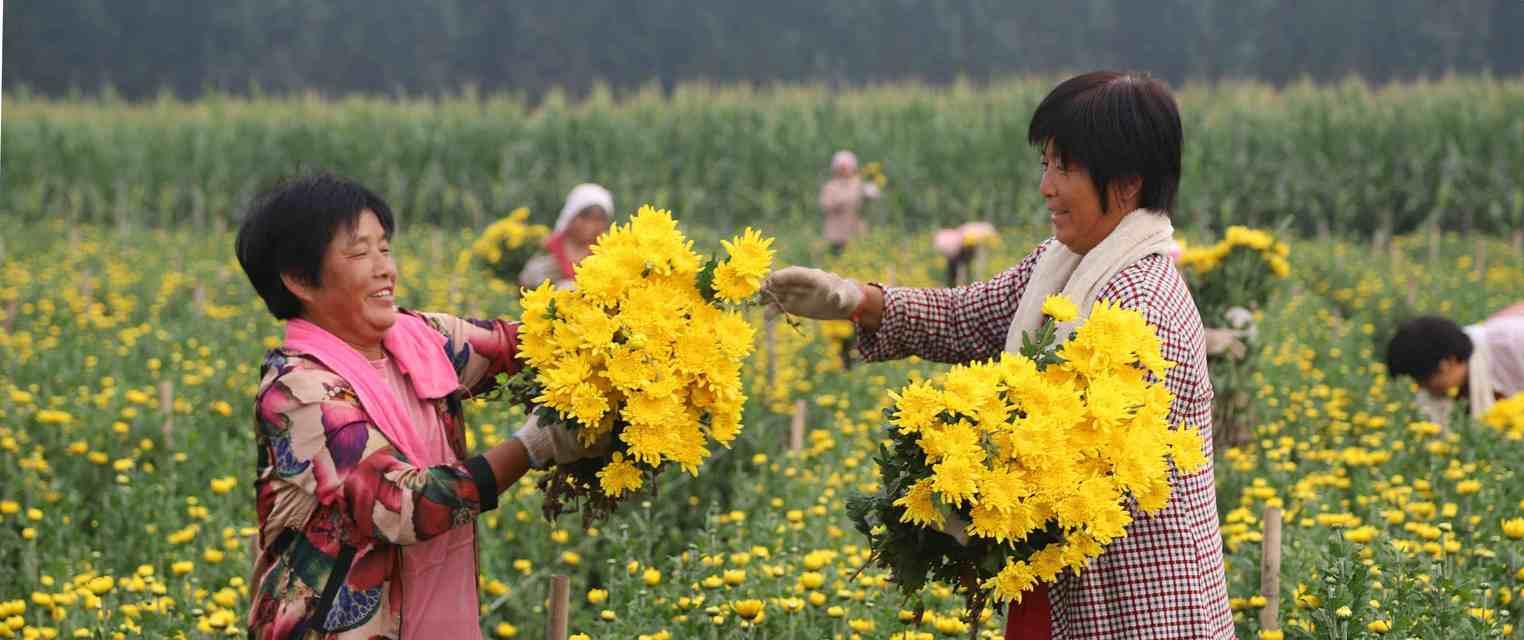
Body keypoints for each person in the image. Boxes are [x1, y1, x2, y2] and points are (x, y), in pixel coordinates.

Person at [764, 71, 1232, 639]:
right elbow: (968, 317)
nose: (1046, 187)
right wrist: (856, 300)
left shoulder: (1141, 303)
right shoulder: (1061, 264)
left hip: (1137, 612)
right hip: (1062, 593)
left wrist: (964, 482)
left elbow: (1080, 476)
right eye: (1046, 164)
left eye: (1065, 167)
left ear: (1128, 184)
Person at [236, 174, 606, 640]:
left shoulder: (419, 338)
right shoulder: (298, 391)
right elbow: (402, 504)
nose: (384, 268)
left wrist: (617, 323)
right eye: (358, 253)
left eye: (384, 249)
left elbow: (517, 343)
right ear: (300, 280)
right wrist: (533, 445)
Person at [1385, 307, 1524, 424]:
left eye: (1424, 382)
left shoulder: (1513, 345)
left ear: (1448, 363)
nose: (1422, 389)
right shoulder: (1465, 371)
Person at [518, 183, 614, 289]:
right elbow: (524, 288)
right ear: (571, 215)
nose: (590, 224)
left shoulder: (608, 253)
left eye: (598, 219)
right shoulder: (547, 249)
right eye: (584, 216)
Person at [819, 150, 880, 255]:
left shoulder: (860, 183)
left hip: (857, 232)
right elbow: (825, 205)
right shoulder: (831, 186)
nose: (844, 170)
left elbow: (873, 197)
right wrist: (843, 201)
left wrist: (870, 193)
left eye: (846, 167)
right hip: (836, 234)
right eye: (841, 167)